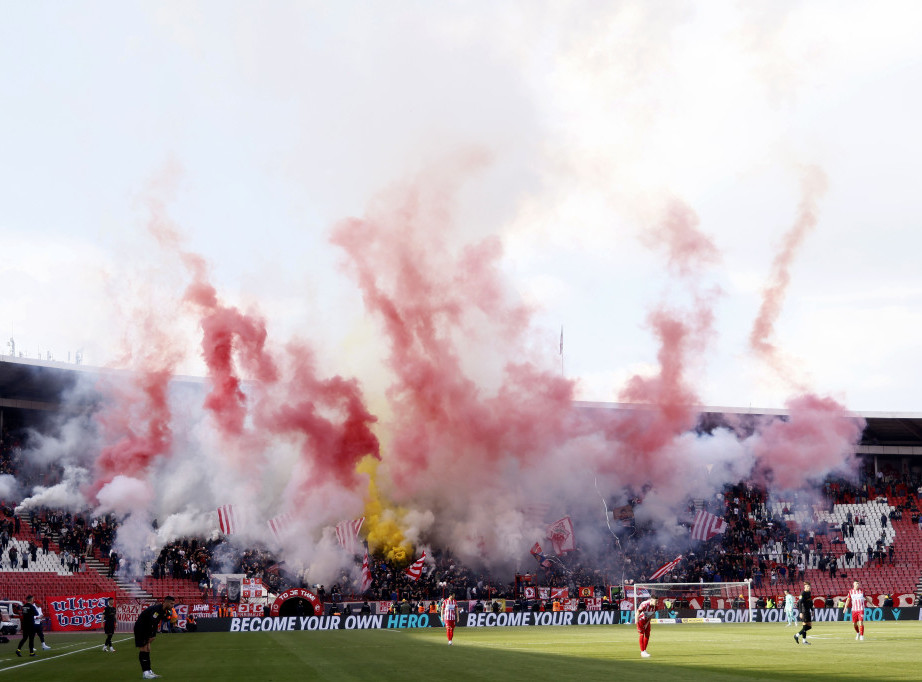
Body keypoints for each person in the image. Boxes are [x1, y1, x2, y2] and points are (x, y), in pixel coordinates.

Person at [134, 595, 175, 679]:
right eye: (171, 604)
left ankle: (149, 671)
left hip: (147, 628)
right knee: (144, 648)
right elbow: (152, 622)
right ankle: (145, 673)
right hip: (141, 627)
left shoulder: (164, 610)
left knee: (148, 649)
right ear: (166, 602)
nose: (172, 605)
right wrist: (151, 635)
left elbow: (161, 621)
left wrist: (169, 615)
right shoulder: (157, 609)